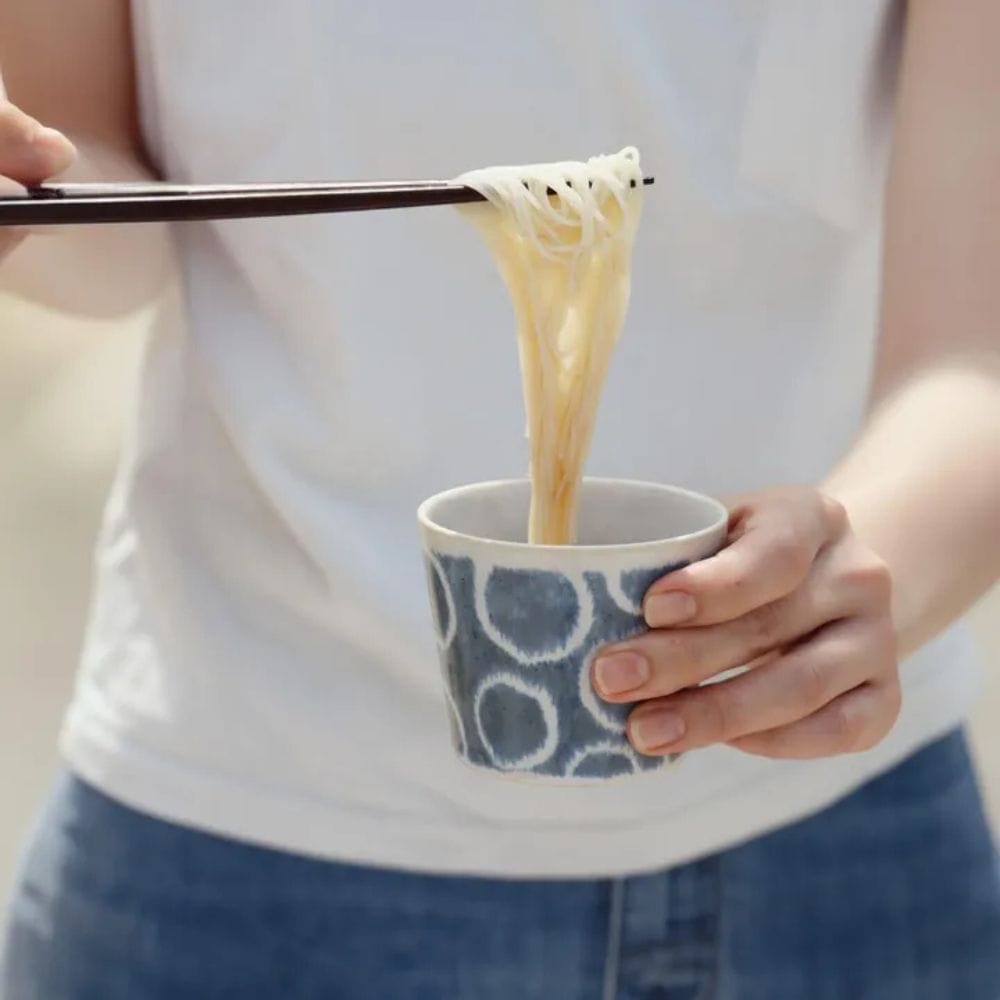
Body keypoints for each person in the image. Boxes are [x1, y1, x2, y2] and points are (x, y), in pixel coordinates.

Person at [2, 1, 999, 997]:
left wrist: (857, 580)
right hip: (242, 819)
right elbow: (95, 190)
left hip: (843, 845)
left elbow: (974, 358)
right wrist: (23, 198)